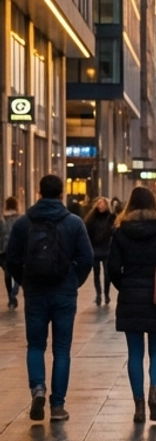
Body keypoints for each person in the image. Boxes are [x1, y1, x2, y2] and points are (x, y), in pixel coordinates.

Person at [4, 174, 93, 421]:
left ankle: (38, 388)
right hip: (64, 293)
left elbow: (11, 259)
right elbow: (87, 258)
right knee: (62, 349)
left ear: (39, 193)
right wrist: (73, 282)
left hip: (35, 293)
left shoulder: (24, 223)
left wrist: (25, 281)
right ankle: (57, 406)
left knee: (35, 345)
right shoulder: (74, 223)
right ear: (62, 194)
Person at [108, 186, 156, 423]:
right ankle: (155, 392)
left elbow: (112, 268)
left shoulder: (121, 231)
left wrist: (127, 285)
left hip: (131, 296)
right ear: (155, 204)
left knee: (134, 353)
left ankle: (139, 406)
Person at [84, 196, 117, 305]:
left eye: (102, 203)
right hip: (95, 248)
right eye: (98, 203)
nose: (100, 205)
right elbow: (87, 232)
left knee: (107, 274)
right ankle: (98, 295)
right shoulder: (91, 218)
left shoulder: (112, 217)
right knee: (96, 273)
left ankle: (106, 294)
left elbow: (115, 231)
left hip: (107, 248)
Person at [0, 195, 20, 308]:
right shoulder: (20, 219)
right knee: (17, 271)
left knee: (7, 274)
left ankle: (11, 297)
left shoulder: (2, 219)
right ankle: (14, 292)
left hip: (5, 250)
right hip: (17, 249)